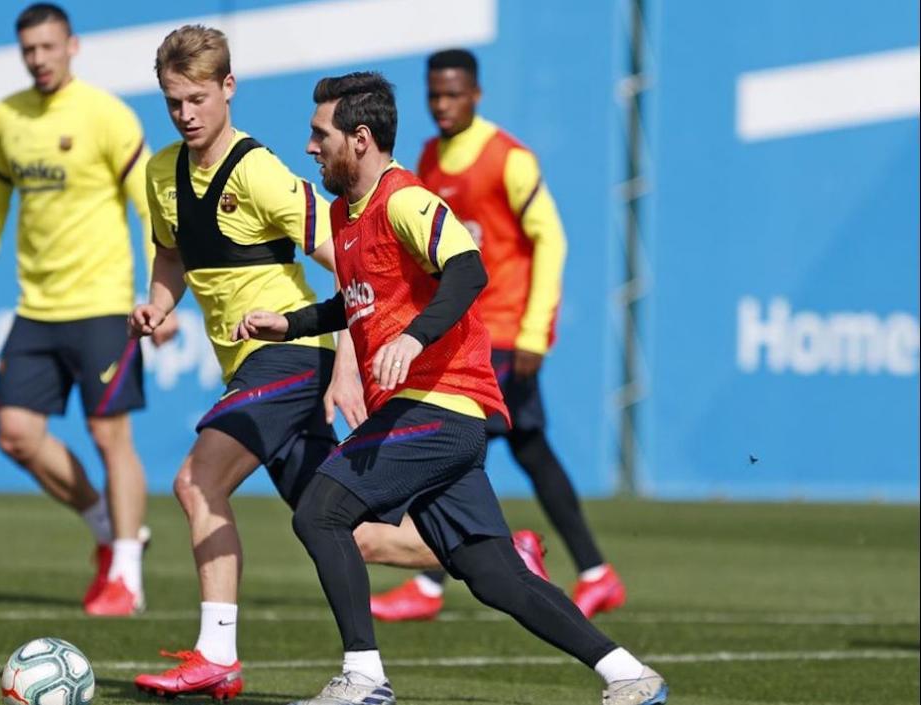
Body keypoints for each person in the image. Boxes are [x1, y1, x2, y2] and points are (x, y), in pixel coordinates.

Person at [233, 71, 667, 705]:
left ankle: (364, 677)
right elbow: (354, 304)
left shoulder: (405, 199)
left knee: (320, 512)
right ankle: (628, 673)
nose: (308, 147)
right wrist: (291, 323)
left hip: (438, 406)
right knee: (495, 577)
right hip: (429, 419)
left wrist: (414, 339)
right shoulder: (343, 213)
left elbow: (468, 270)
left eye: (318, 134)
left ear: (359, 138)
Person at [127, 24, 366, 700]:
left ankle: (218, 654)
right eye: (173, 102)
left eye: (198, 98)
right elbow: (172, 254)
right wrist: (158, 304)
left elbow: (348, 260)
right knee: (351, 527)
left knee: (197, 481)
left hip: (291, 355)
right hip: (252, 371)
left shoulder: (258, 170)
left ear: (228, 88)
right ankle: (483, 553)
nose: (186, 114)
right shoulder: (162, 172)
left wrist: (347, 359)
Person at [370, 48, 627, 622]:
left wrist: (537, 332)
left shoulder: (509, 159)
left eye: (453, 94)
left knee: (441, 441)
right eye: (434, 94)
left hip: (507, 331)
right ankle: (596, 572)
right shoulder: (431, 157)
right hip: (465, 332)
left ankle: (433, 581)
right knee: (529, 449)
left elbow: (551, 241)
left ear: (476, 95)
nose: (442, 105)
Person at [0, 3, 172, 618]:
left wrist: (163, 293)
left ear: (72, 46)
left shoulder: (106, 115)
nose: (40, 59)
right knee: (15, 432)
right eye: (30, 50)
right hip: (37, 307)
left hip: (103, 304)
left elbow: (149, 206)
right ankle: (109, 527)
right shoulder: (8, 118)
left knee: (110, 435)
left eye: (50, 47)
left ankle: (126, 575)